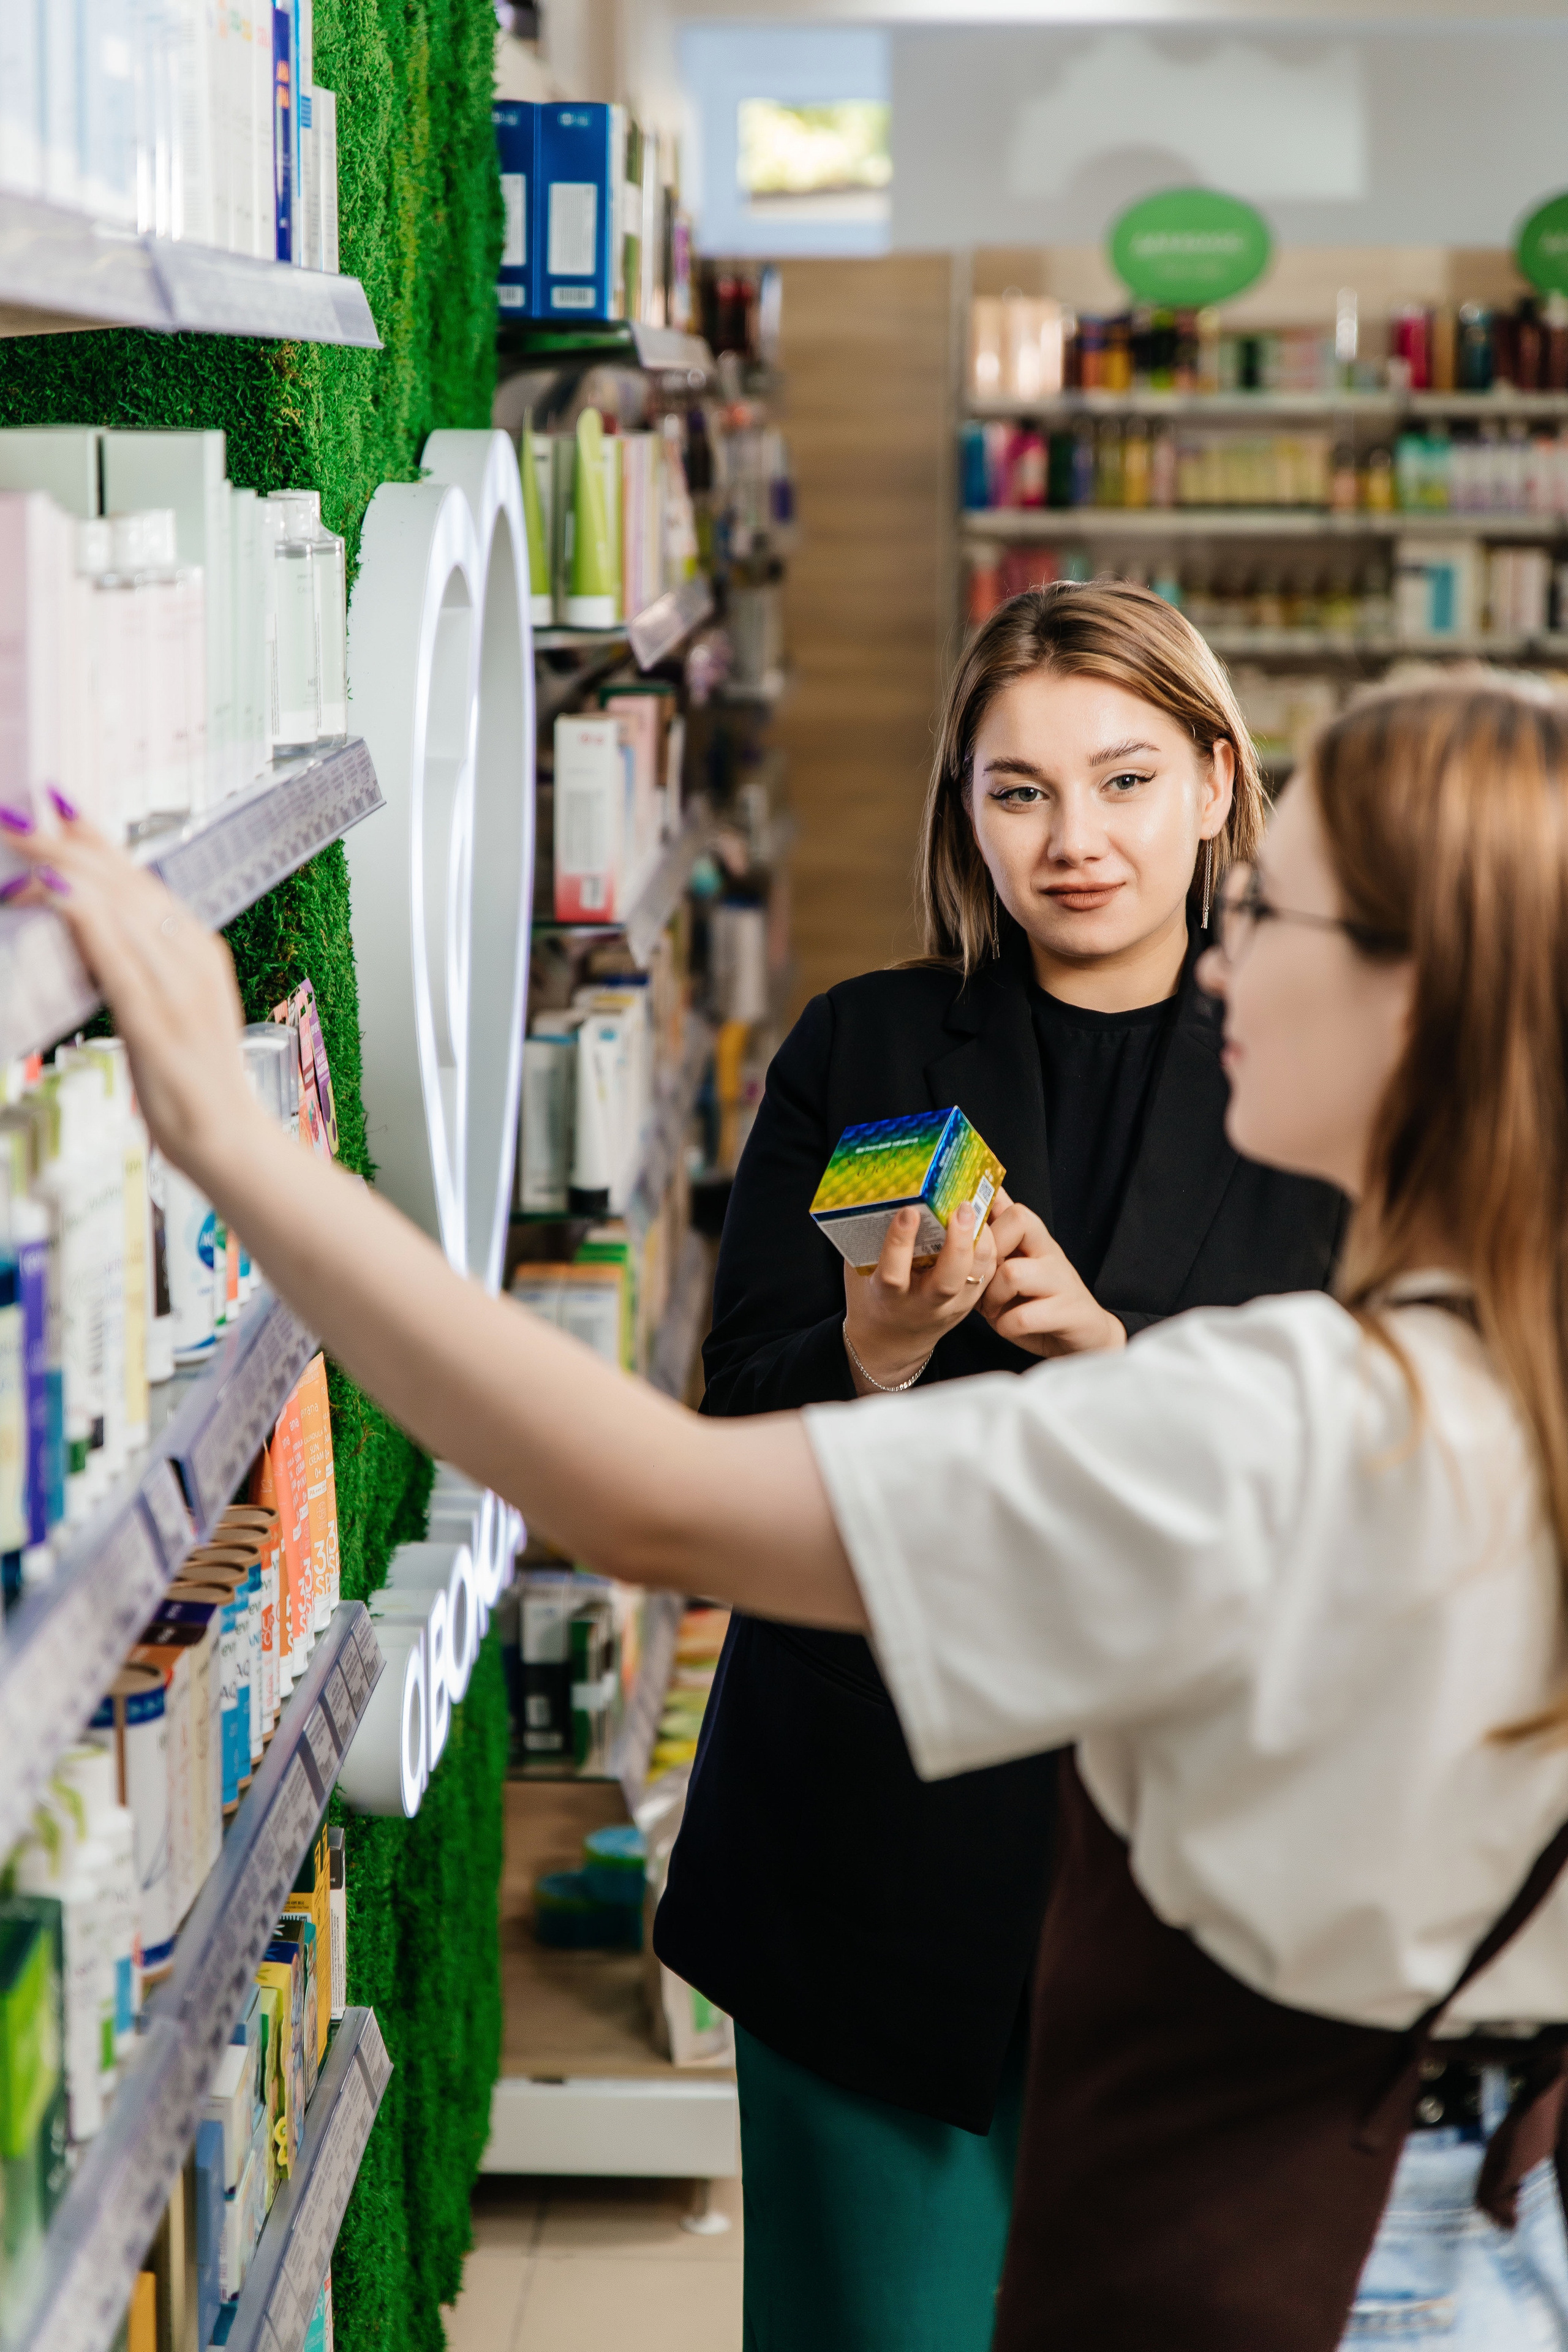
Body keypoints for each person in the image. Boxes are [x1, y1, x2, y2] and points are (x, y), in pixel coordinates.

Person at [13, 671, 1568, 2352]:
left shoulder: (1288, 1420)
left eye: (1269, 909)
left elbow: (647, 1499)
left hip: (1314, 2241)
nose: (1217, 955)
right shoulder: (1487, 1381)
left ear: (1421, 998)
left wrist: (228, 1139)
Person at [652, 580, 1348, 2349]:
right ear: (962, 810)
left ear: (1215, 780)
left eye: (1123, 782)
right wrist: (880, 1350)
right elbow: (733, 1442)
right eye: (1019, 791)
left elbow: (1381, 1453)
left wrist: (1113, 1360)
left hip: (1201, 1873)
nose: (1077, 842)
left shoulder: (1332, 1064)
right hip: (870, 1860)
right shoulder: (867, 1048)